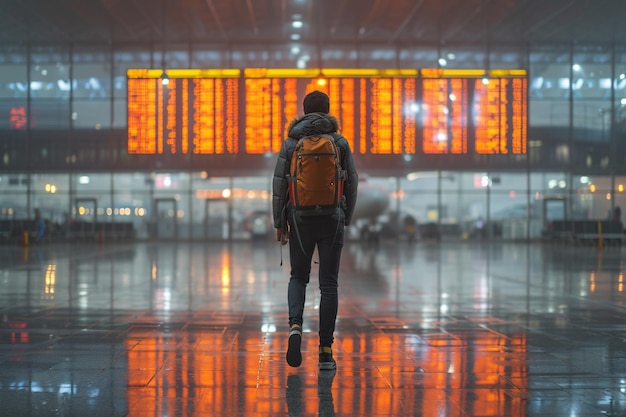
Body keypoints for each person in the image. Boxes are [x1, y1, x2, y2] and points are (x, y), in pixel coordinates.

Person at [272, 90, 358, 370]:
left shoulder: (291, 143)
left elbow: (279, 185)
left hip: (299, 219)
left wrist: (279, 223)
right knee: (329, 285)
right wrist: (346, 215)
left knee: (298, 277)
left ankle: (295, 326)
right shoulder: (339, 142)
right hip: (332, 219)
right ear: (328, 111)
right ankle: (325, 351)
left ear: (304, 111)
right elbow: (352, 181)